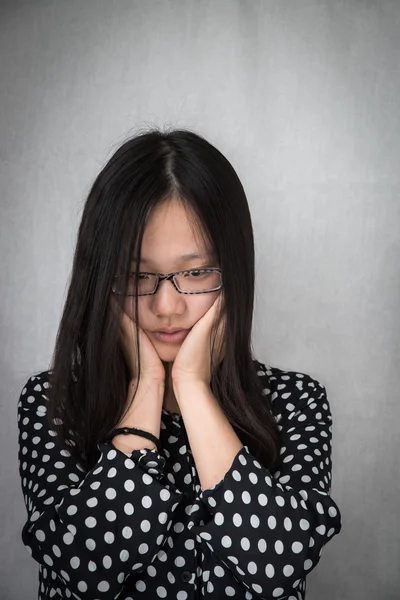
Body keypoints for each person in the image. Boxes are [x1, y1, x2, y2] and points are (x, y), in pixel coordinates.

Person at [17, 128, 342, 600]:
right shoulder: (54, 403)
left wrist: (192, 385)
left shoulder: (295, 402)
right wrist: (147, 385)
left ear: (235, 272)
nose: (166, 305)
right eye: (136, 275)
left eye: (195, 273)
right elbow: (86, 570)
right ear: (100, 279)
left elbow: (278, 566)